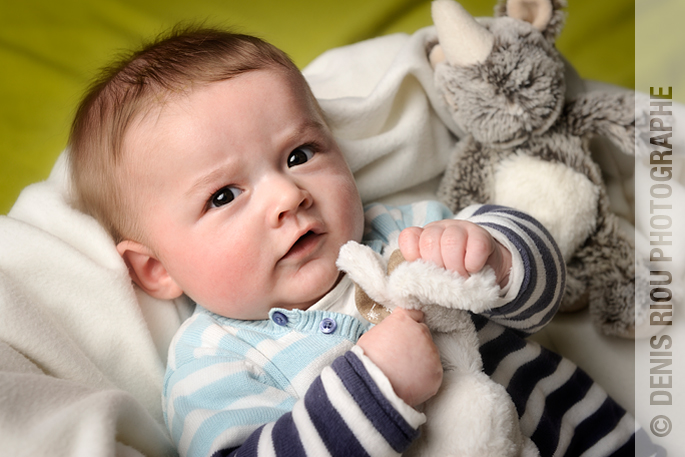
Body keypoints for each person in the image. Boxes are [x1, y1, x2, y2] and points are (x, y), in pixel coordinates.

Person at [68, 27, 641, 457]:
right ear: (155, 271)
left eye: (299, 155)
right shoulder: (213, 363)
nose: (286, 197)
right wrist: (377, 388)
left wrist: (493, 252)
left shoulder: (401, 231)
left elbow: (544, 294)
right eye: (223, 196)